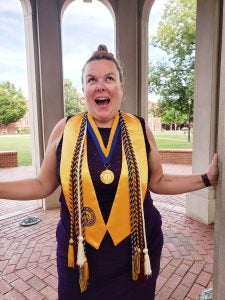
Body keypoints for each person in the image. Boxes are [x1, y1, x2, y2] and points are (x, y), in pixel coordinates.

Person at [0, 45, 219, 300]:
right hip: (80, 254)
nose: (100, 86)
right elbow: (41, 185)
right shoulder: (65, 130)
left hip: (135, 251)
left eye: (109, 78)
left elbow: (159, 181)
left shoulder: (139, 129)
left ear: (121, 89)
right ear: (84, 91)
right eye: (92, 80)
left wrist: (206, 178)